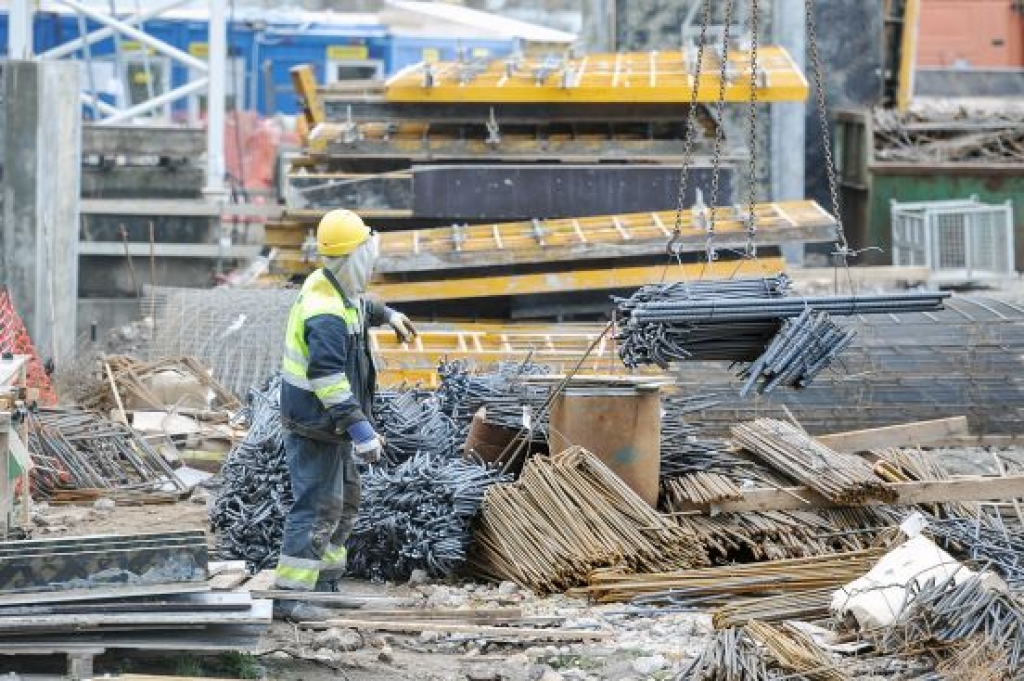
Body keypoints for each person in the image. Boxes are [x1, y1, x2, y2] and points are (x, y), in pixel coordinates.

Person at [273, 208, 417, 621]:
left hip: (329, 425)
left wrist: (389, 314)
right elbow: (327, 377)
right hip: (315, 424)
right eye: (367, 251)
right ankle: (291, 598)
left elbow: (363, 307)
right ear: (354, 255)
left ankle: (324, 584)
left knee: (344, 502)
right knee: (317, 507)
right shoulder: (326, 311)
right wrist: (362, 431)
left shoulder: (338, 289)